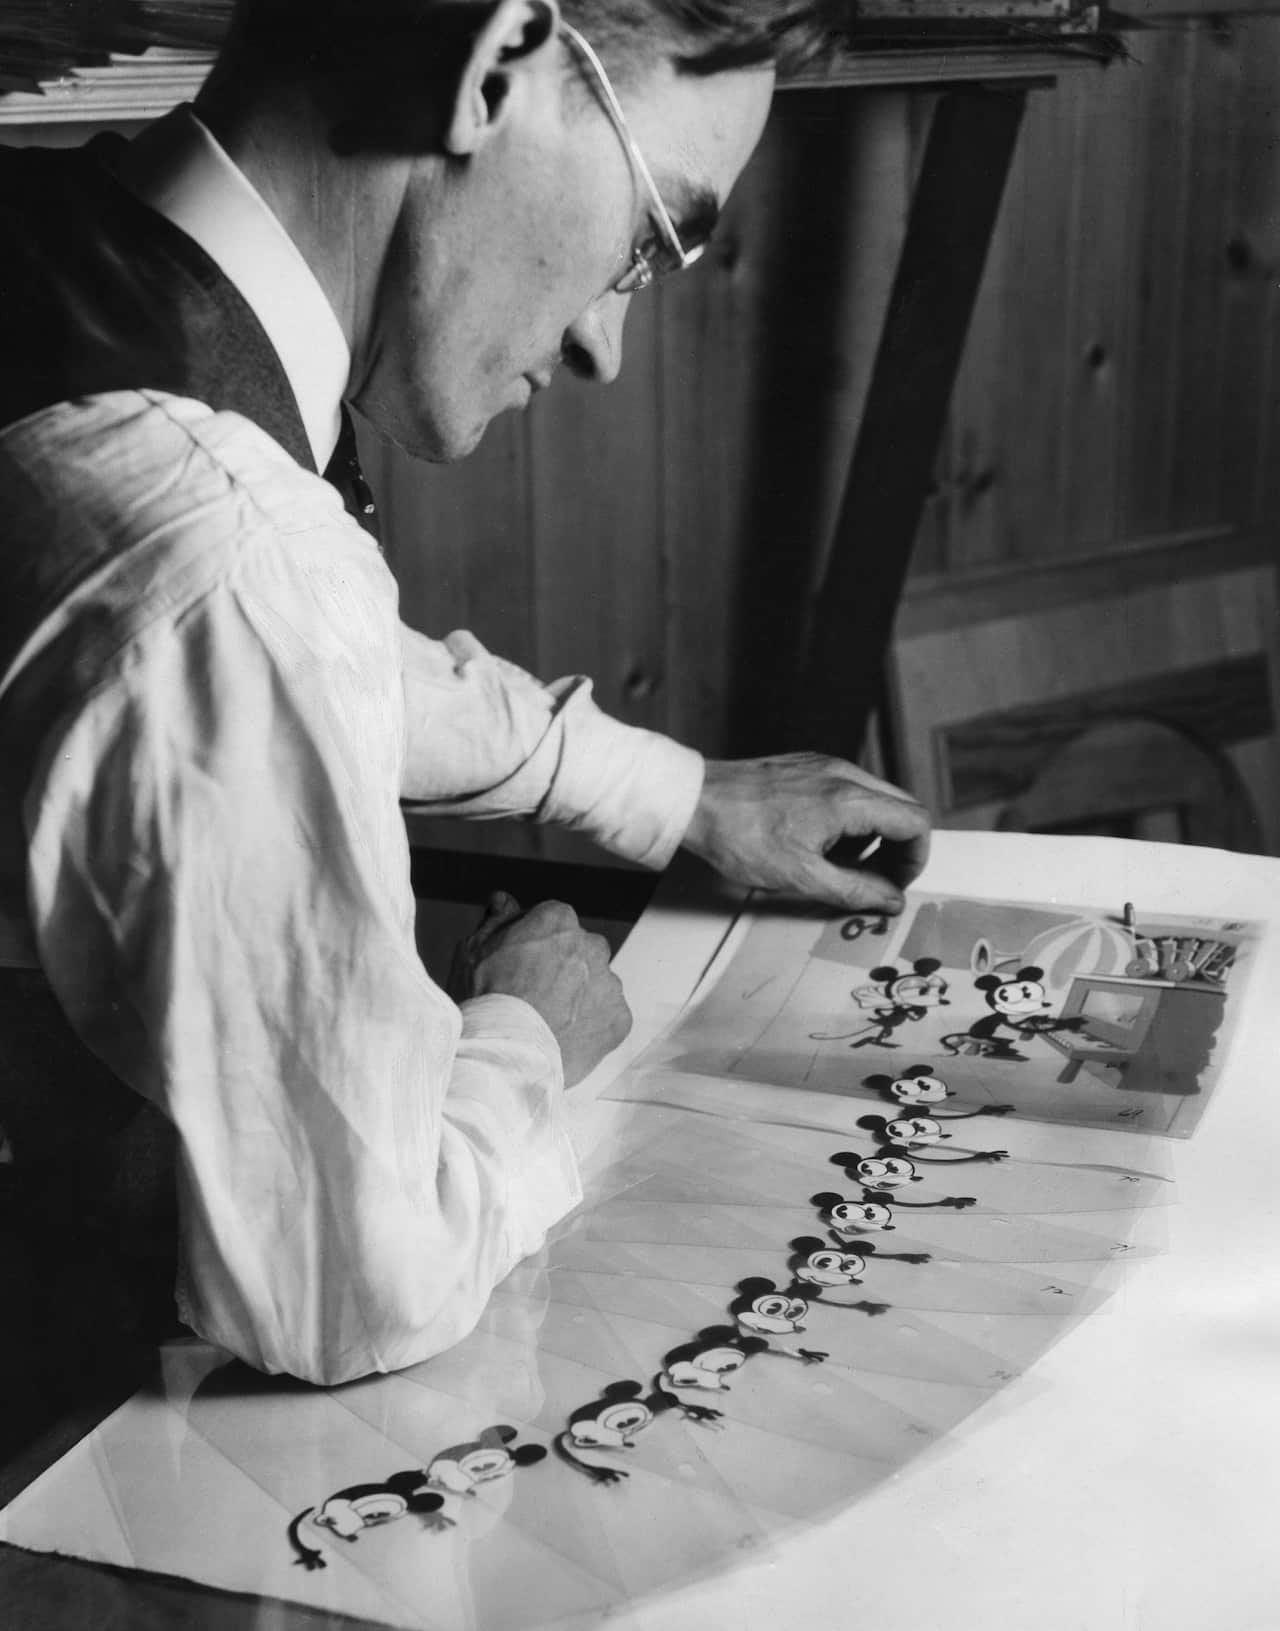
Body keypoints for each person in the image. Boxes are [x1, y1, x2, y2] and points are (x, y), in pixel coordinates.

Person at [0, 0, 930, 1391]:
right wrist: (529, 1029)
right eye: (653, 238)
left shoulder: (65, 256)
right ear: (495, 71)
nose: (608, 342)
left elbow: (277, 664)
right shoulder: (230, 567)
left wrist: (681, 795)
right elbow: (357, 1286)